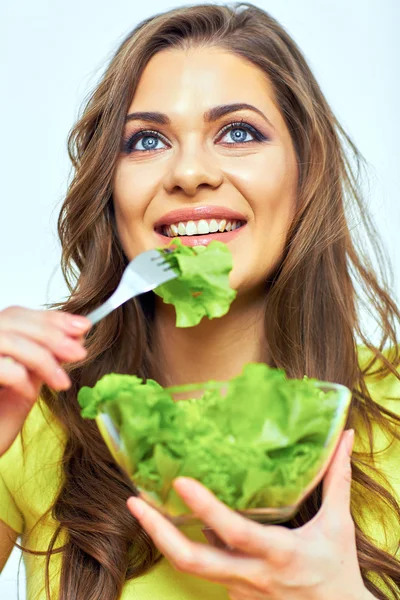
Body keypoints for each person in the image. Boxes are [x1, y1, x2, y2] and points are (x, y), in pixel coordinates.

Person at [0, 2, 399, 599]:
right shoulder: (35, 416)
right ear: (110, 190)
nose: (189, 171)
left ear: (305, 170)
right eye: (147, 140)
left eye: (238, 132)